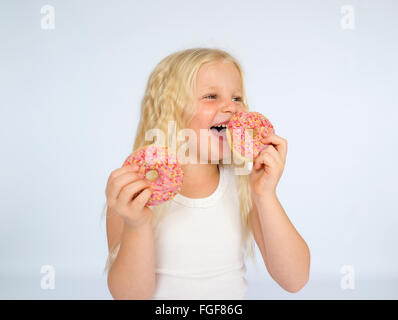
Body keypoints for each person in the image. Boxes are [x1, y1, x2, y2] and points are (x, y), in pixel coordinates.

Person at [103, 48, 310, 299]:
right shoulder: (133, 195)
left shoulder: (244, 186)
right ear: (169, 110)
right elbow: (130, 296)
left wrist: (265, 194)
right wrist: (136, 226)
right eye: (211, 96)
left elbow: (295, 279)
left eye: (237, 98)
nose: (231, 107)